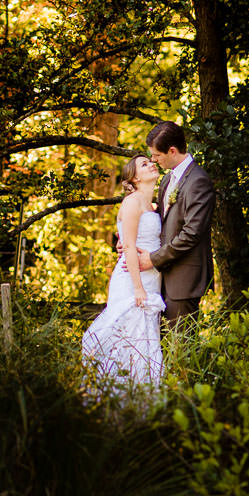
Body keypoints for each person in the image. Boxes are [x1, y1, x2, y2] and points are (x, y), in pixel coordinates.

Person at [81, 155, 166, 388]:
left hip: (152, 277)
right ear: (135, 177)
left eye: (151, 161)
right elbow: (127, 245)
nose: (152, 164)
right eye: (144, 164)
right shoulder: (132, 202)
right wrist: (138, 288)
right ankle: (117, 395)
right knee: (129, 338)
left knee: (145, 341)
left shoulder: (154, 206)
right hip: (131, 280)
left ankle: (143, 396)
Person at [132, 120, 215, 327]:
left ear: (172, 151)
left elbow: (191, 234)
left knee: (181, 346)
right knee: (162, 345)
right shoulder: (168, 180)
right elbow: (160, 222)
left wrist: (153, 259)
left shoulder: (198, 181)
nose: (153, 160)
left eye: (157, 155)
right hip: (162, 278)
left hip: (184, 279)